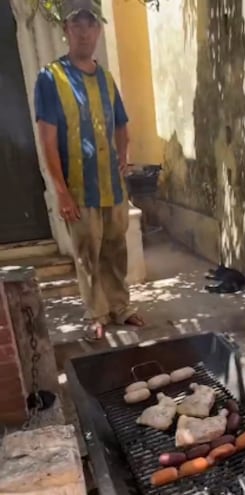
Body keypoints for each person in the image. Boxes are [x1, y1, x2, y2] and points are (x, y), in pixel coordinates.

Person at [34, 0, 144, 341]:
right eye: (76, 25)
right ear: (66, 30)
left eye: (90, 24)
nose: (84, 32)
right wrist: (61, 191)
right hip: (79, 190)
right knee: (88, 256)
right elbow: (48, 141)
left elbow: (122, 124)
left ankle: (120, 307)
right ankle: (96, 313)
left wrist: (123, 154)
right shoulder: (50, 78)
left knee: (115, 251)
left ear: (98, 30)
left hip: (112, 186)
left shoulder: (107, 78)